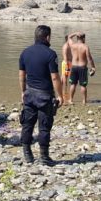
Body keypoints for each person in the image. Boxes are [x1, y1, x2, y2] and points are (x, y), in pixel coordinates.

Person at [19, 25, 63, 165]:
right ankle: (44, 156)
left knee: (27, 124)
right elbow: (55, 77)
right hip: (44, 95)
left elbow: (22, 76)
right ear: (47, 37)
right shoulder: (50, 54)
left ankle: (27, 154)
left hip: (30, 93)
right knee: (44, 126)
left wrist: (23, 91)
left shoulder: (25, 52)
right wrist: (60, 95)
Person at [68, 32, 96, 105]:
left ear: (77, 38)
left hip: (74, 67)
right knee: (83, 85)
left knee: (73, 84)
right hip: (82, 67)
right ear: (83, 38)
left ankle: (71, 100)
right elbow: (89, 58)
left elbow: (69, 37)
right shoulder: (85, 47)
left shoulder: (73, 45)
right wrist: (93, 67)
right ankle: (84, 101)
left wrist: (75, 33)